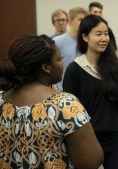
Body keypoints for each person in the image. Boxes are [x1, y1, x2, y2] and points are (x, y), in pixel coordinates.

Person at [0, 34, 103, 168]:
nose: (62, 63)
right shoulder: (64, 104)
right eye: (59, 59)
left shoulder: (2, 100)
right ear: (46, 68)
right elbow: (91, 161)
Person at [63, 15, 118, 169]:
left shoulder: (115, 65)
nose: (104, 38)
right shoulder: (74, 70)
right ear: (85, 37)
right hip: (85, 141)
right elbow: (68, 113)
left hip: (112, 140)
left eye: (106, 34)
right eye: (98, 34)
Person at [53, 7, 88, 90]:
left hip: (84, 91)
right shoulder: (57, 42)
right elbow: (51, 68)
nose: (84, 23)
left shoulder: (89, 42)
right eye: (80, 19)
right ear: (70, 21)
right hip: (63, 91)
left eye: (85, 20)